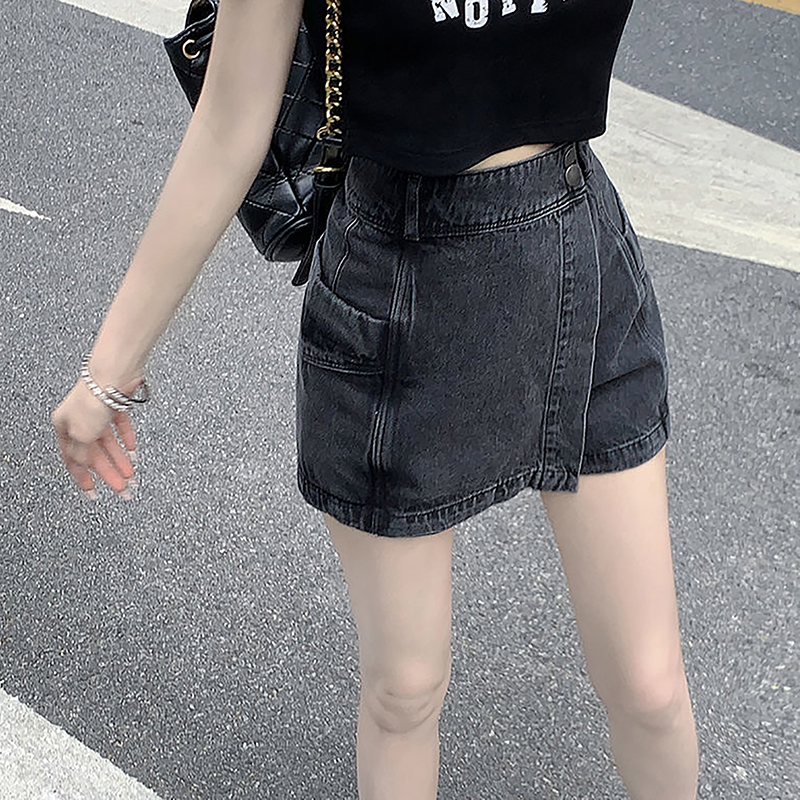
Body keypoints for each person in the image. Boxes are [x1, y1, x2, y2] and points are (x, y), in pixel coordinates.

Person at [51, 0, 700, 797]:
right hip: (397, 276)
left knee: (649, 685)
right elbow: (230, 122)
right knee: (405, 690)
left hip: (577, 251)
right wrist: (109, 369)